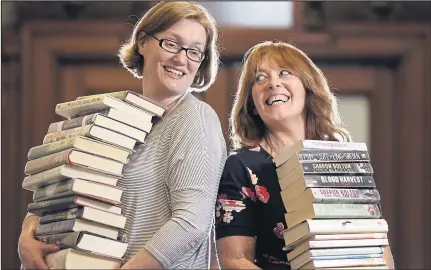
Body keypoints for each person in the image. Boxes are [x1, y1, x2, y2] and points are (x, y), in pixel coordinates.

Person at [18, 2, 227, 269]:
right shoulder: (115, 118)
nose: (181, 58)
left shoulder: (195, 119)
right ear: (142, 42)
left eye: (195, 51)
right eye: (172, 44)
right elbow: (59, 194)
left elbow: (192, 222)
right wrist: (28, 235)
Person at [214, 40, 395, 269]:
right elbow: (234, 260)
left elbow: (377, 246)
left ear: (308, 88)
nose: (273, 83)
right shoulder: (241, 165)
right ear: (252, 104)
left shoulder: (342, 156)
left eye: (284, 73)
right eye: (260, 78)